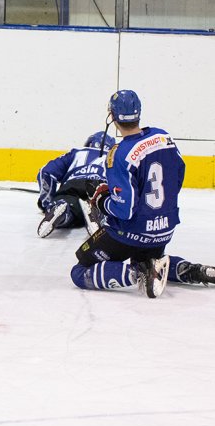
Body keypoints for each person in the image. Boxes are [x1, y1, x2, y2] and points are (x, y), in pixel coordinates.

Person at [70, 89, 215, 298]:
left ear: (111, 116)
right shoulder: (164, 137)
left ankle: (138, 273)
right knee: (149, 257)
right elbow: (178, 176)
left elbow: (124, 210)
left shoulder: (119, 154)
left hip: (130, 233)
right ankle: (192, 271)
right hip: (164, 230)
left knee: (79, 271)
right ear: (138, 112)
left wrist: (101, 200)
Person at [36, 131, 112, 238]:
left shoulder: (76, 152)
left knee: (70, 206)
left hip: (72, 185)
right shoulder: (114, 157)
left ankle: (62, 211)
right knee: (103, 204)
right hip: (98, 187)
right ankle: (97, 213)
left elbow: (46, 171)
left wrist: (47, 203)